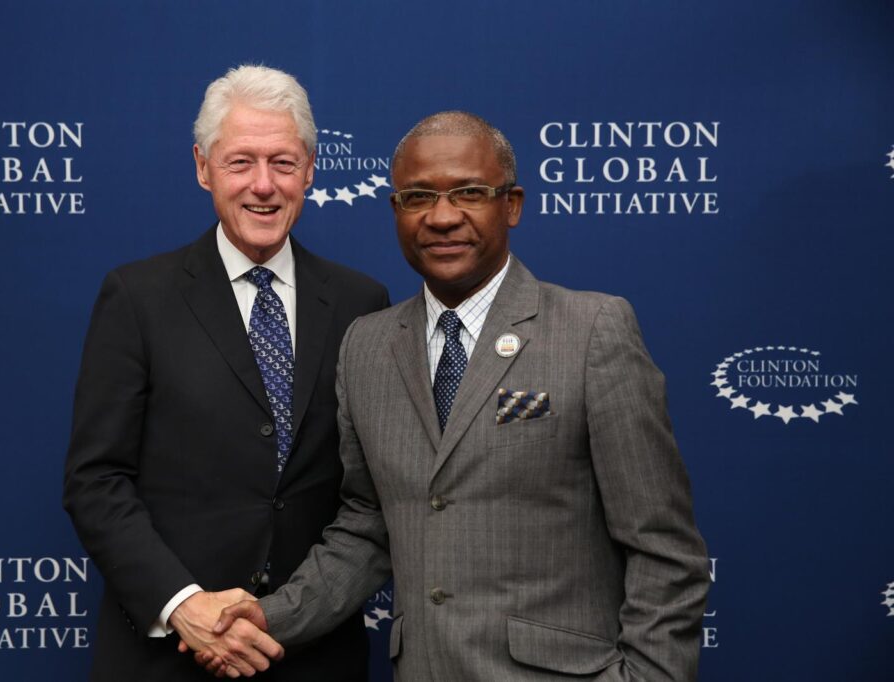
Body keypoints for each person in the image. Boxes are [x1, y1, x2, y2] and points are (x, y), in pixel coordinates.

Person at [208, 111, 710, 681]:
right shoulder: (366, 347)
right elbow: (370, 525)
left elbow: (664, 549)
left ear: (512, 205)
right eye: (418, 197)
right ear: (396, 211)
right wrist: (270, 618)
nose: (442, 217)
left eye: (470, 193)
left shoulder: (592, 330)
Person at [62, 65, 388, 681]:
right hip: (168, 657)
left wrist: (288, 614)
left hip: (313, 657)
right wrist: (184, 606)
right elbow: (96, 480)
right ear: (203, 167)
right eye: (241, 162)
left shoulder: (361, 303)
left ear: (310, 170)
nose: (263, 185)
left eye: (283, 163)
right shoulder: (137, 298)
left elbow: (366, 493)